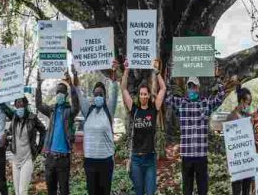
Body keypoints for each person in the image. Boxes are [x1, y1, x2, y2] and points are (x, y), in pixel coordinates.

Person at [164, 70, 234, 195]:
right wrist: (167, 76)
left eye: (194, 87)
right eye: (189, 87)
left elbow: (220, 96)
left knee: (203, 189)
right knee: (187, 190)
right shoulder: (181, 104)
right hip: (186, 156)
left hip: (201, 156)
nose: (192, 90)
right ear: (187, 89)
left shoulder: (205, 104)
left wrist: (217, 77)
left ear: (198, 88)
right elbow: (167, 97)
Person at [121, 59, 166, 195]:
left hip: (150, 159)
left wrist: (157, 71)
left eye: (145, 94)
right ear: (139, 96)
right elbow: (123, 88)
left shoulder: (154, 109)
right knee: (139, 192)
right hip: (136, 159)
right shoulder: (134, 110)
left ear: (148, 95)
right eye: (141, 94)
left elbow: (163, 88)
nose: (143, 96)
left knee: (150, 191)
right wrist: (127, 70)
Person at [36, 67, 80, 195]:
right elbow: (39, 105)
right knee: (51, 191)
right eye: (57, 92)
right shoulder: (52, 110)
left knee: (64, 191)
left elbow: (76, 106)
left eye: (61, 92)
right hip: (50, 158)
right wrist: (39, 84)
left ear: (65, 96)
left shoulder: (69, 112)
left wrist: (71, 85)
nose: (59, 95)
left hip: (63, 159)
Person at [79, 61, 119, 195]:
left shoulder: (109, 111)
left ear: (104, 96)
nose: (98, 97)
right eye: (95, 94)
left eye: (100, 94)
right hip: (89, 161)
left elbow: (114, 91)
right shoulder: (87, 111)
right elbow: (78, 93)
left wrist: (114, 73)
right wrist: (73, 76)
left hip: (105, 162)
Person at [0, 96, 46, 195]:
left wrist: (39, 148)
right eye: (17, 104)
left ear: (25, 105)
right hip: (16, 160)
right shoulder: (14, 118)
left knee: (22, 191)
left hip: (27, 159)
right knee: (17, 192)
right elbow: (3, 107)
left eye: (21, 104)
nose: (19, 106)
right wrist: (5, 135)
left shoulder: (32, 118)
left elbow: (43, 130)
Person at [226, 81, 253, 195]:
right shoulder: (231, 117)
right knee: (236, 190)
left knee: (246, 190)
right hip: (236, 162)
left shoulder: (249, 117)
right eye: (248, 102)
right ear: (241, 101)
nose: (249, 105)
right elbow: (229, 143)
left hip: (247, 161)